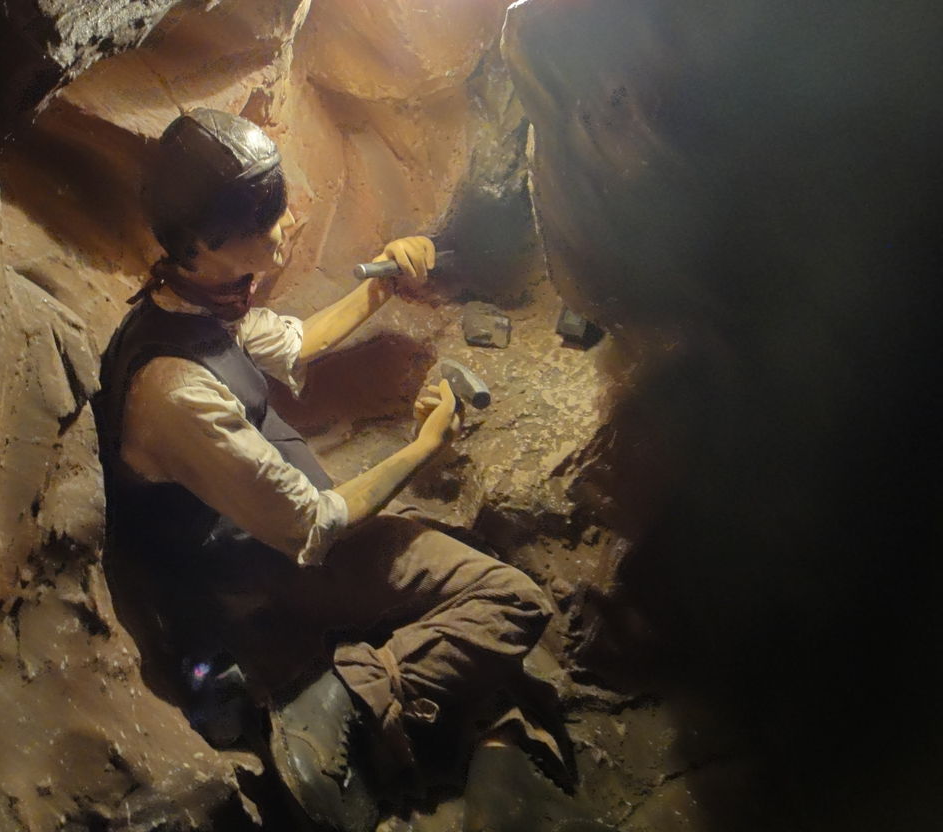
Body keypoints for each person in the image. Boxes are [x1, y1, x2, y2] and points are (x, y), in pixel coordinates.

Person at [95, 109, 608, 832]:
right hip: (264, 572)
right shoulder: (173, 390)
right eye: (265, 220)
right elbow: (312, 523)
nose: (285, 226)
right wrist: (423, 446)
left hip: (272, 536)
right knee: (512, 601)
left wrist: (382, 283)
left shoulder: (190, 302)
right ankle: (345, 700)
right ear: (204, 244)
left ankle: (409, 700)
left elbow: (294, 341)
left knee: (455, 570)